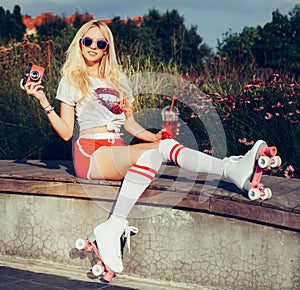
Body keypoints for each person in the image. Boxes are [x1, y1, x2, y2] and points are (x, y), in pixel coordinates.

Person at [20, 19, 270, 275]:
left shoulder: (118, 81)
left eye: (100, 43)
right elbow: (66, 132)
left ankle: (113, 226)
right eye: (88, 41)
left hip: (115, 148)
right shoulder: (72, 79)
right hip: (90, 154)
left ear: (107, 48)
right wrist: (42, 100)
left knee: (159, 149)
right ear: (80, 43)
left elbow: (129, 124)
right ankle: (231, 169)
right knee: (154, 154)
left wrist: (153, 136)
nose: (92, 47)